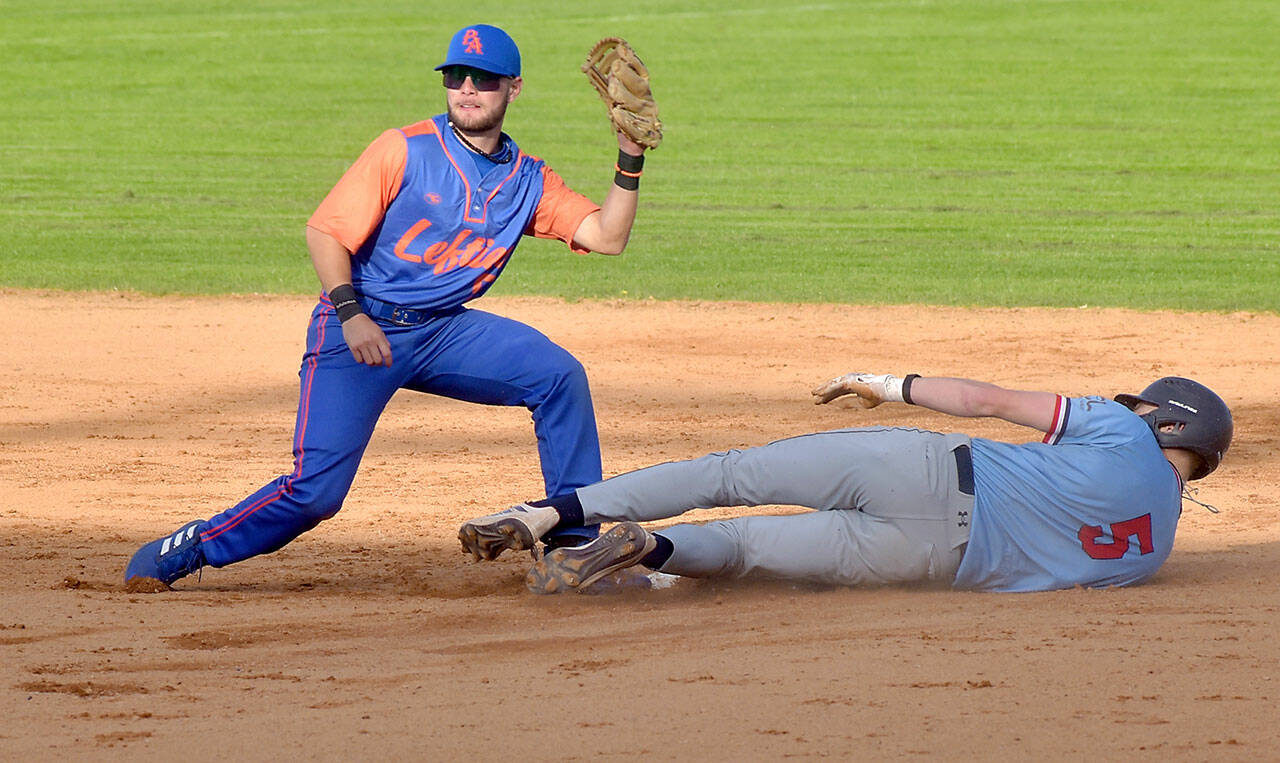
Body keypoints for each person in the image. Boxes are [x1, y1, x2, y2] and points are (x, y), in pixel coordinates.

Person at [125, 24, 653, 589]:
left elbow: (606, 236)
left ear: (513, 89)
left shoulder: (527, 180)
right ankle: (185, 550)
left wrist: (630, 156)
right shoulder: (404, 149)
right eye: (456, 77)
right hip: (359, 326)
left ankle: (572, 546)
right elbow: (326, 234)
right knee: (315, 496)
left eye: (484, 79)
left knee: (557, 376)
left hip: (445, 331)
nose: (467, 89)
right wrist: (351, 314)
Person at [457, 372, 1233, 594]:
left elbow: (990, 402)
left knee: (728, 475)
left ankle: (547, 511)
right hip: (933, 560)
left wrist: (891, 382)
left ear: (1165, 423)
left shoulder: (1119, 426)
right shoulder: (1151, 551)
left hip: (922, 467)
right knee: (743, 549)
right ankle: (652, 549)